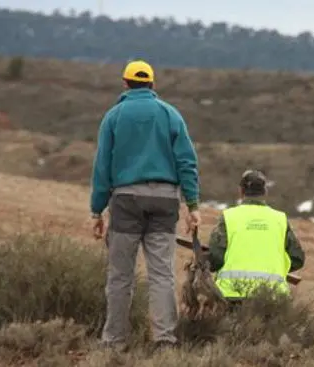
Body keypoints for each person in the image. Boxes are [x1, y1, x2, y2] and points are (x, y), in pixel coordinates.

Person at [89, 59, 201, 351]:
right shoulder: (170, 114)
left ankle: (113, 341)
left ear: (125, 83)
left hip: (125, 202)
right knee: (162, 274)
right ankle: (165, 340)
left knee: (120, 276)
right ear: (152, 85)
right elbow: (187, 162)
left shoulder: (114, 116)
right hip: (165, 201)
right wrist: (193, 204)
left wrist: (96, 209)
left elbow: (102, 166)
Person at [205, 170, 305, 310]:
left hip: (233, 296)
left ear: (241, 191)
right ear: (265, 192)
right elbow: (297, 258)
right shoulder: (280, 219)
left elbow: (215, 259)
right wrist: (276, 267)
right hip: (273, 296)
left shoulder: (229, 217)